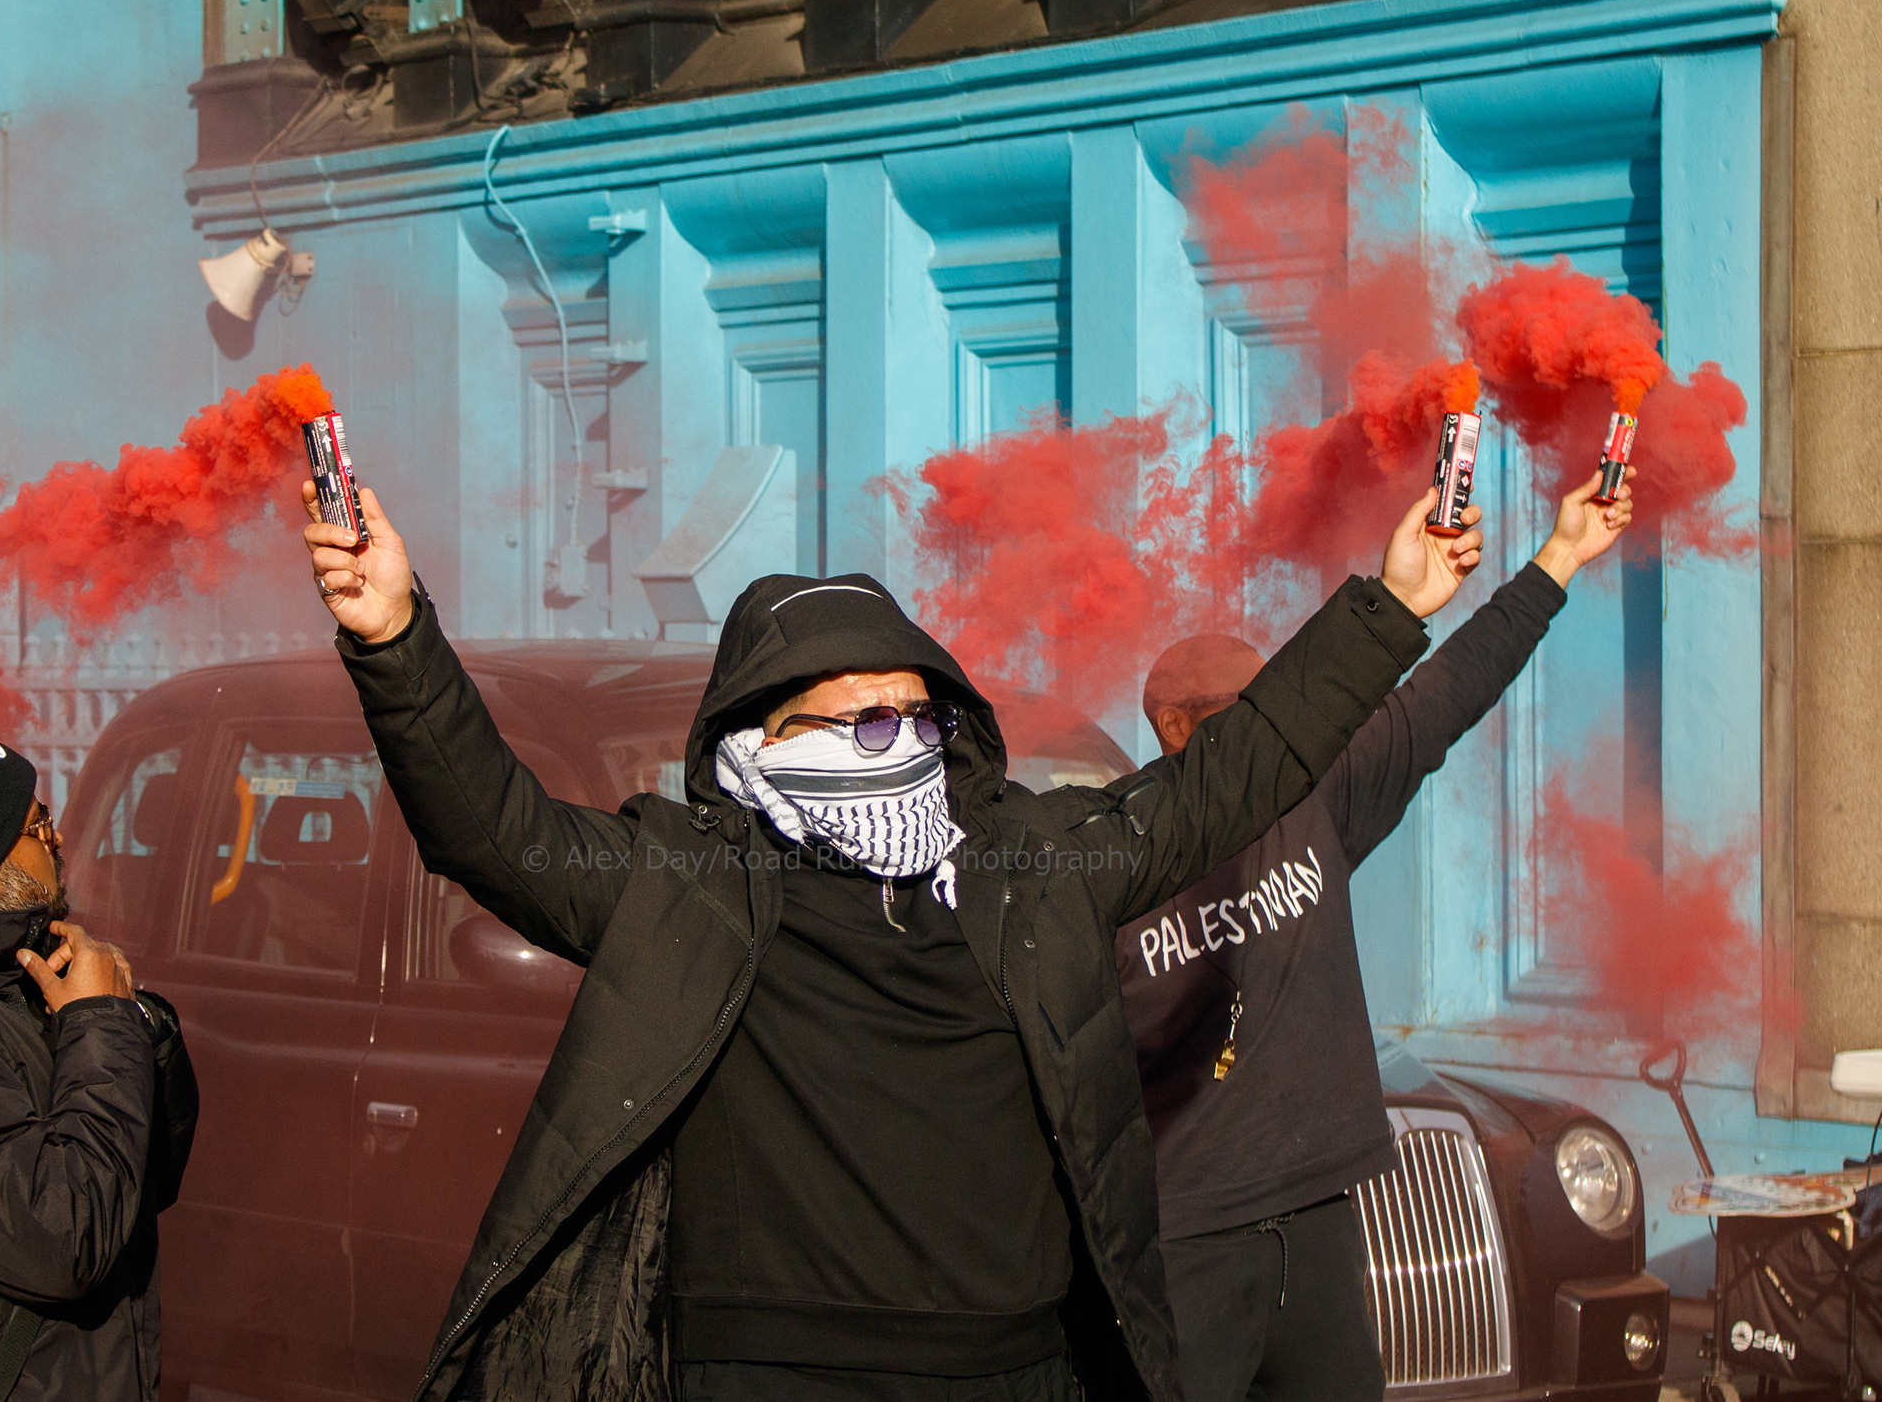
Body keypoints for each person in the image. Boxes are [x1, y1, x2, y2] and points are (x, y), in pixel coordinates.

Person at [300, 479, 1482, 1402]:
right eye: (854, 718)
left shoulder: (1028, 868)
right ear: (752, 749)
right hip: (768, 1372)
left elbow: (1237, 776)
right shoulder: (690, 888)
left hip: (1018, 1369)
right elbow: (488, 828)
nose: (894, 740)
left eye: (913, 712)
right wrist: (393, 633)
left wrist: (1393, 605)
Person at [1119, 468, 1636, 1402]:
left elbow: (1453, 686)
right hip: (1181, 1240)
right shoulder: (1114, 851)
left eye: (1276, 709)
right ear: (1170, 727)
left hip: (1318, 1223)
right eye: (1242, 717)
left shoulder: (1322, 795)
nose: (1274, 738)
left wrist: (1560, 554)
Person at [0, 732, 164, 1399]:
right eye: (36, 823)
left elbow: (144, 1175)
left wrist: (141, 1027)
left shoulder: (26, 978)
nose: (56, 839)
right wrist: (103, 1026)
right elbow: (64, 1237)